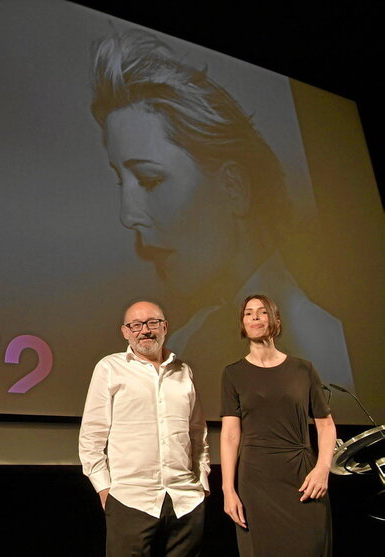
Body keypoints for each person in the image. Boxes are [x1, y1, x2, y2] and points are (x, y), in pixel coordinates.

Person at [89, 29, 353, 411]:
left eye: (150, 179)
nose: (127, 215)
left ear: (233, 187)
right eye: (121, 180)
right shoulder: (183, 345)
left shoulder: (328, 350)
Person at [79, 300, 209, 557]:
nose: (145, 330)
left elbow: (197, 433)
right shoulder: (110, 368)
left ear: (164, 327)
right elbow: (91, 437)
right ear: (125, 332)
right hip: (130, 499)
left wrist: (201, 482)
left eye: (152, 323)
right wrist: (105, 489)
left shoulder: (183, 371)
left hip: (186, 500)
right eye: (136, 325)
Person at [220, 294, 336, 556]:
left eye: (262, 312)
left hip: (303, 477)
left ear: (276, 321)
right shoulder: (233, 373)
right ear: (242, 323)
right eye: (248, 313)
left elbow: (326, 425)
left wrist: (323, 468)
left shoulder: (303, 369)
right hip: (256, 480)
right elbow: (229, 435)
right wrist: (228, 489)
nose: (255, 317)